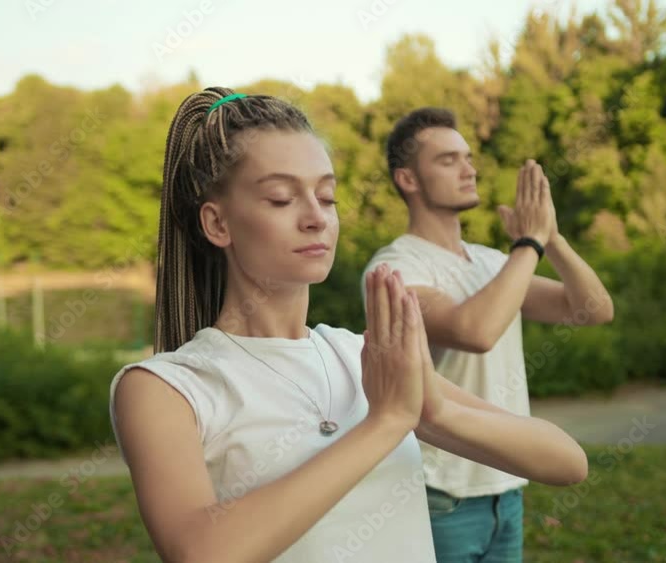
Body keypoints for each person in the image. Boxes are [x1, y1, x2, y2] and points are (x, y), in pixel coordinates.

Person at [108, 88, 588, 563]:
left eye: (327, 196)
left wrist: (433, 410)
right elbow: (200, 551)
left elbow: (567, 461)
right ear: (217, 224)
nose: (316, 218)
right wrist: (386, 423)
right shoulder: (165, 387)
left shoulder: (362, 355)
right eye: (280, 199)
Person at [362, 107, 614, 562]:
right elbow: (475, 331)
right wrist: (528, 245)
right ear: (408, 180)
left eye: (468, 156)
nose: (469, 168)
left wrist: (550, 237)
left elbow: (593, 309)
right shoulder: (395, 267)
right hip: (442, 494)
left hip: (506, 486)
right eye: (448, 160)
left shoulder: (491, 262)